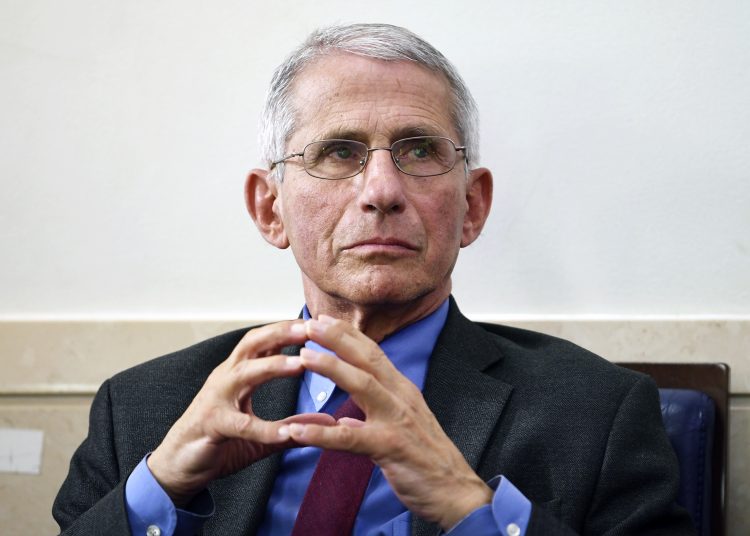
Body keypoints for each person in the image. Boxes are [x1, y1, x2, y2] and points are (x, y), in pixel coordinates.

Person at [53, 23, 695, 536]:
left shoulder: (599, 414)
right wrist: (158, 490)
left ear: (472, 206)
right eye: (339, 152)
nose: (382, 191)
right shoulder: (141, 409)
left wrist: (469, 507)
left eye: (420, 150)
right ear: (269, 208)